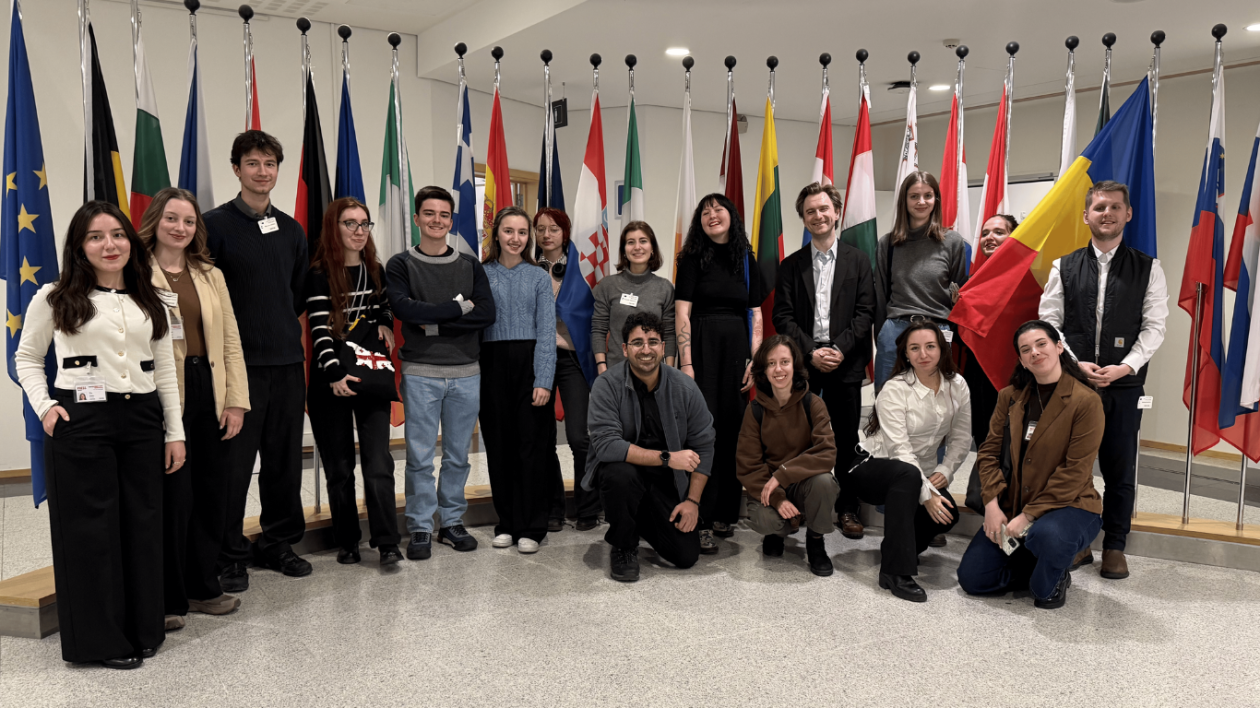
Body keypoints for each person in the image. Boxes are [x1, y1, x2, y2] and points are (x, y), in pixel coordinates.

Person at [16, 201, 186, 669]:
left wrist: (175, 431)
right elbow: (26, 358)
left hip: (143, 420)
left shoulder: (150, 297)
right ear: (79, 246)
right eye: (95, 236)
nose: (109, 245)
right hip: (83, 421)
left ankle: (144, 629)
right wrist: (47, 407)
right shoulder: (54, 297)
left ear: (131, 242)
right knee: (90, 532)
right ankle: (100, 641)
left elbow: (165, 367)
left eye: (117, 235)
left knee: (143, 525)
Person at [1039, 181, 1167, 580]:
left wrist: (1125, 367)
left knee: (1118, 468)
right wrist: (1076, 365)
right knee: (1069, 468)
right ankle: (1076, 542)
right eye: (1099, 208)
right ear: (1086, 216)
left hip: (1124, 386)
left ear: (1128, 214)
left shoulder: (1149, 268)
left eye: (1115, 207)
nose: (1107, 214)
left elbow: (1155, 327)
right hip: (1073, 385)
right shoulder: (1064, 265)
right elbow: (1050, 323)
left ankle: (1114, 545)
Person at [205, 130, 311, 590]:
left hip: (287, 363)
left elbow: (298, 294)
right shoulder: (213, 226)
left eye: (269, 164)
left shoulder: (291, 230)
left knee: (285, 461)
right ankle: (228, 553)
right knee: (233, 464)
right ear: (236, 169)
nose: (262, 172)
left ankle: (278, 542)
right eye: (253, 163)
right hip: (238, 368)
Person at [140, 188, 249, 630]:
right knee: (172, 496)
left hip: (210, 388)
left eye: (188, 221)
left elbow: (230, 341)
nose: (180, 228)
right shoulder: (134, 270)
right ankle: (166, 596)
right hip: (164, 391)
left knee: (211, 493)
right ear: (155, 221)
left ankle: (204, 586)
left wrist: (236, 401)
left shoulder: (209, 274)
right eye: (171, 218)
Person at [957, 321, 1105, 609]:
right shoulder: (1009, 397)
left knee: (1043, 588)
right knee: (973, 579)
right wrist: (991, 505)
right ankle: (1045, 556)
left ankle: (1057, 560)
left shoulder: (1086, 401)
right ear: (1022, 361)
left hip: (1069, 506)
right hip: (1010, 506)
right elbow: (987, 453)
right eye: (1026, 350)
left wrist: (1027, 517)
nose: (1034, 352)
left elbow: (1074, 473)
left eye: (1041, 344)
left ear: (1059, 347)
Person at [385, 186, 495, 561]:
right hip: (420, 372)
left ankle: (451, 522)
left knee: (457, 456)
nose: (437, 221)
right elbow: (404, 311)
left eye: (444, 215)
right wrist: (457, 309)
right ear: (417, 219)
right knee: (418, 456)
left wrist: (432, 319)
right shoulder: (400, 264)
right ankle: (419, 526)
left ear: (452, 220)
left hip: (467, 372)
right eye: (429, 214)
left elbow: (486, 314)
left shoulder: (469, 265)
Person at [772, 182, 875, 541]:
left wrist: (840, 350)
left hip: (844, 365)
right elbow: (782, 317)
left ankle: (847, 508)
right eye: (810, 211)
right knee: (799, 441)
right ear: (803, 218)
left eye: (823, 209)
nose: (818, 216)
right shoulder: (790, 266)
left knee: (845, 440)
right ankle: (800, 506)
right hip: (803, 364)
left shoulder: (859, 261)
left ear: (836, 213)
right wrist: (811, 352)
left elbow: (866, 313)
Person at [305, 197, 402, 566]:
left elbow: (383, 306)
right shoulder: (318, 274)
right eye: (350, 224)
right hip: (329, 380)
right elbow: (319, 330)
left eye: (364, 224)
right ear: (334, 227)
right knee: (340, 468)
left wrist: (383, 322)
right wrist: (333, 374)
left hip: (368, 376)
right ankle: (347, 541)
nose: (359, 231)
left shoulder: (374, 269)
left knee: (378, 463)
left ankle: (387, 542)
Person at [584, 312, 716, 582]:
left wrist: (692, 502)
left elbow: (705, 444)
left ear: (663, 347)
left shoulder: (685, 388)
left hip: (665, 483)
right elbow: (607, 447)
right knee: (619, 475)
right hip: (625, 474)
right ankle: (624, 545)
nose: (646, 349)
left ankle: (638, 518)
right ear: (624, 348)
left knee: (685, 556)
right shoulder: (605, 386)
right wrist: (668, 458)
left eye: (653, 341)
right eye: (637, 343)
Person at [846, 322, 969, 602]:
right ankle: (895, 571)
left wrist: (945, 470)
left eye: (930, 346)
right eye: (914, 348)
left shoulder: (957, 385)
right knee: (909, 477)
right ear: (906, 353)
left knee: (949, 512)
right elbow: (900, 450)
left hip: (918, 472)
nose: (922, 354)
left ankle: (900, 549)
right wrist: (926, 495)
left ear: (942, 349)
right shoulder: (894, 389)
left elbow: (962, 437)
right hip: (872, 467)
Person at [675, 193, 767, 553]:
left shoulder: (747, 259)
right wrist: (686, 362)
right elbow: (682, 314)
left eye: (720, 209)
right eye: (706, 211)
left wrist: (755, 362)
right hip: (701, 349)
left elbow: (756, 314)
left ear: (732, 216)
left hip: (737, 356)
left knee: (733, 431)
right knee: (703, 432)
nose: (713, 215)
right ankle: (701, 513)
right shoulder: (693, 258)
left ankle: (725, 512)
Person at [481, 206, 557, 554]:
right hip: (491, 366)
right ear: (496, 234)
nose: (515, 238)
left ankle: (532, 526)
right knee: (499, 447)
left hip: (530, 367)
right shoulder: (480, 274)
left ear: (530, 237)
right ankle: (507, 522)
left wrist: (543, 379)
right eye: (508, 231)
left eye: (522, 232)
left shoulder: (539, 276)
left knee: (531, 448)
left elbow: (546, 332)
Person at [736, 335, 838, 576]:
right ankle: (777, 533)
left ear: (795, 365)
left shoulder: (813, 404)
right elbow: (748, 465)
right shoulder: (755, 411)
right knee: (765, 520)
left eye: (784, 362)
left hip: (804, 483)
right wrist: (778, 498)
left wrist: (782, 475)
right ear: (763, 369)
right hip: (768, 487)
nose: (778, 369)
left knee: (825, 482)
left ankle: (815, 540)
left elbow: (826, 453)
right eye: (771, 363)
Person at [534, 208, 599, 532]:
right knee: (543, 439)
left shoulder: (582, 270)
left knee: (579, 436)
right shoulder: (528, 269)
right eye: (541, 229)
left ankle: (588, 506)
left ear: (565, 233)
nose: (547, 235)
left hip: (572, 359)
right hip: (538, 361)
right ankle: (553, 509)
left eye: (554, 229)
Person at [873, 171, 968, 390]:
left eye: (928, 195)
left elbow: (958, 294)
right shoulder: (887, 243)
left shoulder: (953, 242)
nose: (921, 202)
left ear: (936, 200)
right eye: (914, 196)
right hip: (895, 331)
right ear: (904, 201)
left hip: (937, 330)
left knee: (938, 401)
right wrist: (881, 335)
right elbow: (880, 296)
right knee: (889, 400)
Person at [962, 214, 1020, 447]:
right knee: (984, 441)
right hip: (978, 375)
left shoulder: (1027, 280)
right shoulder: (971, 282)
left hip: (1015, 374)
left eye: (998, 232)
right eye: (985, 233)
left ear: (1013, 237)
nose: (989, 238)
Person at [592, 220, 677, 371]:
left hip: (653, 373)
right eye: (631, 242)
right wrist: (601, 366)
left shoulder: (665, 288)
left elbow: (669, 333)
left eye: (643, 241)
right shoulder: (608, 285)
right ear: (624, 250)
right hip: (615, 370)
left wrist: (669, 371)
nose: (637, 247)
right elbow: (599, 329)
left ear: (652, 249)